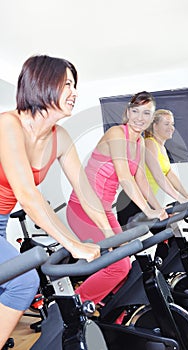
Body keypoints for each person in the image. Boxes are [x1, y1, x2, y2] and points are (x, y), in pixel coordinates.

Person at [0, 54, 117, 348]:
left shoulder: (59, 137)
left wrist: (107, 232)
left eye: (74, 85)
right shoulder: (8, 125)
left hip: (0, 223)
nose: (75, 92)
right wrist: (72, 244)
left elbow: (84, 190)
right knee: (23, 281)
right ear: (42, 84)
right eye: (67, 84)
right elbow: (28, 196)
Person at [66, 91, 167, 316]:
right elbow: (124, 177)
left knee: (125, 265)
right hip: (83, 209)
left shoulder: (140, 142)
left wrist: (158, 208)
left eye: (147, 113)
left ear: (151, 118)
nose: (140, 117)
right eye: (136, 111)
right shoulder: (115, 133)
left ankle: (116, 317)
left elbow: (140, 179)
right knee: (118, 266)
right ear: (127, 112)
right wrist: (148, 211)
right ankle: (72, 308)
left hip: (105, 211)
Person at [145, 108, 188, 203]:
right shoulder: (149, 143)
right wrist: (179, 198)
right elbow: (157, 175)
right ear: (155, 126)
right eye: (167, 124)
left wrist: (187, 196)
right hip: (134, 201)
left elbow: (169, 174)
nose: (171, 128)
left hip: (148, 200)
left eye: (172, 124)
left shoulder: (162, 147)